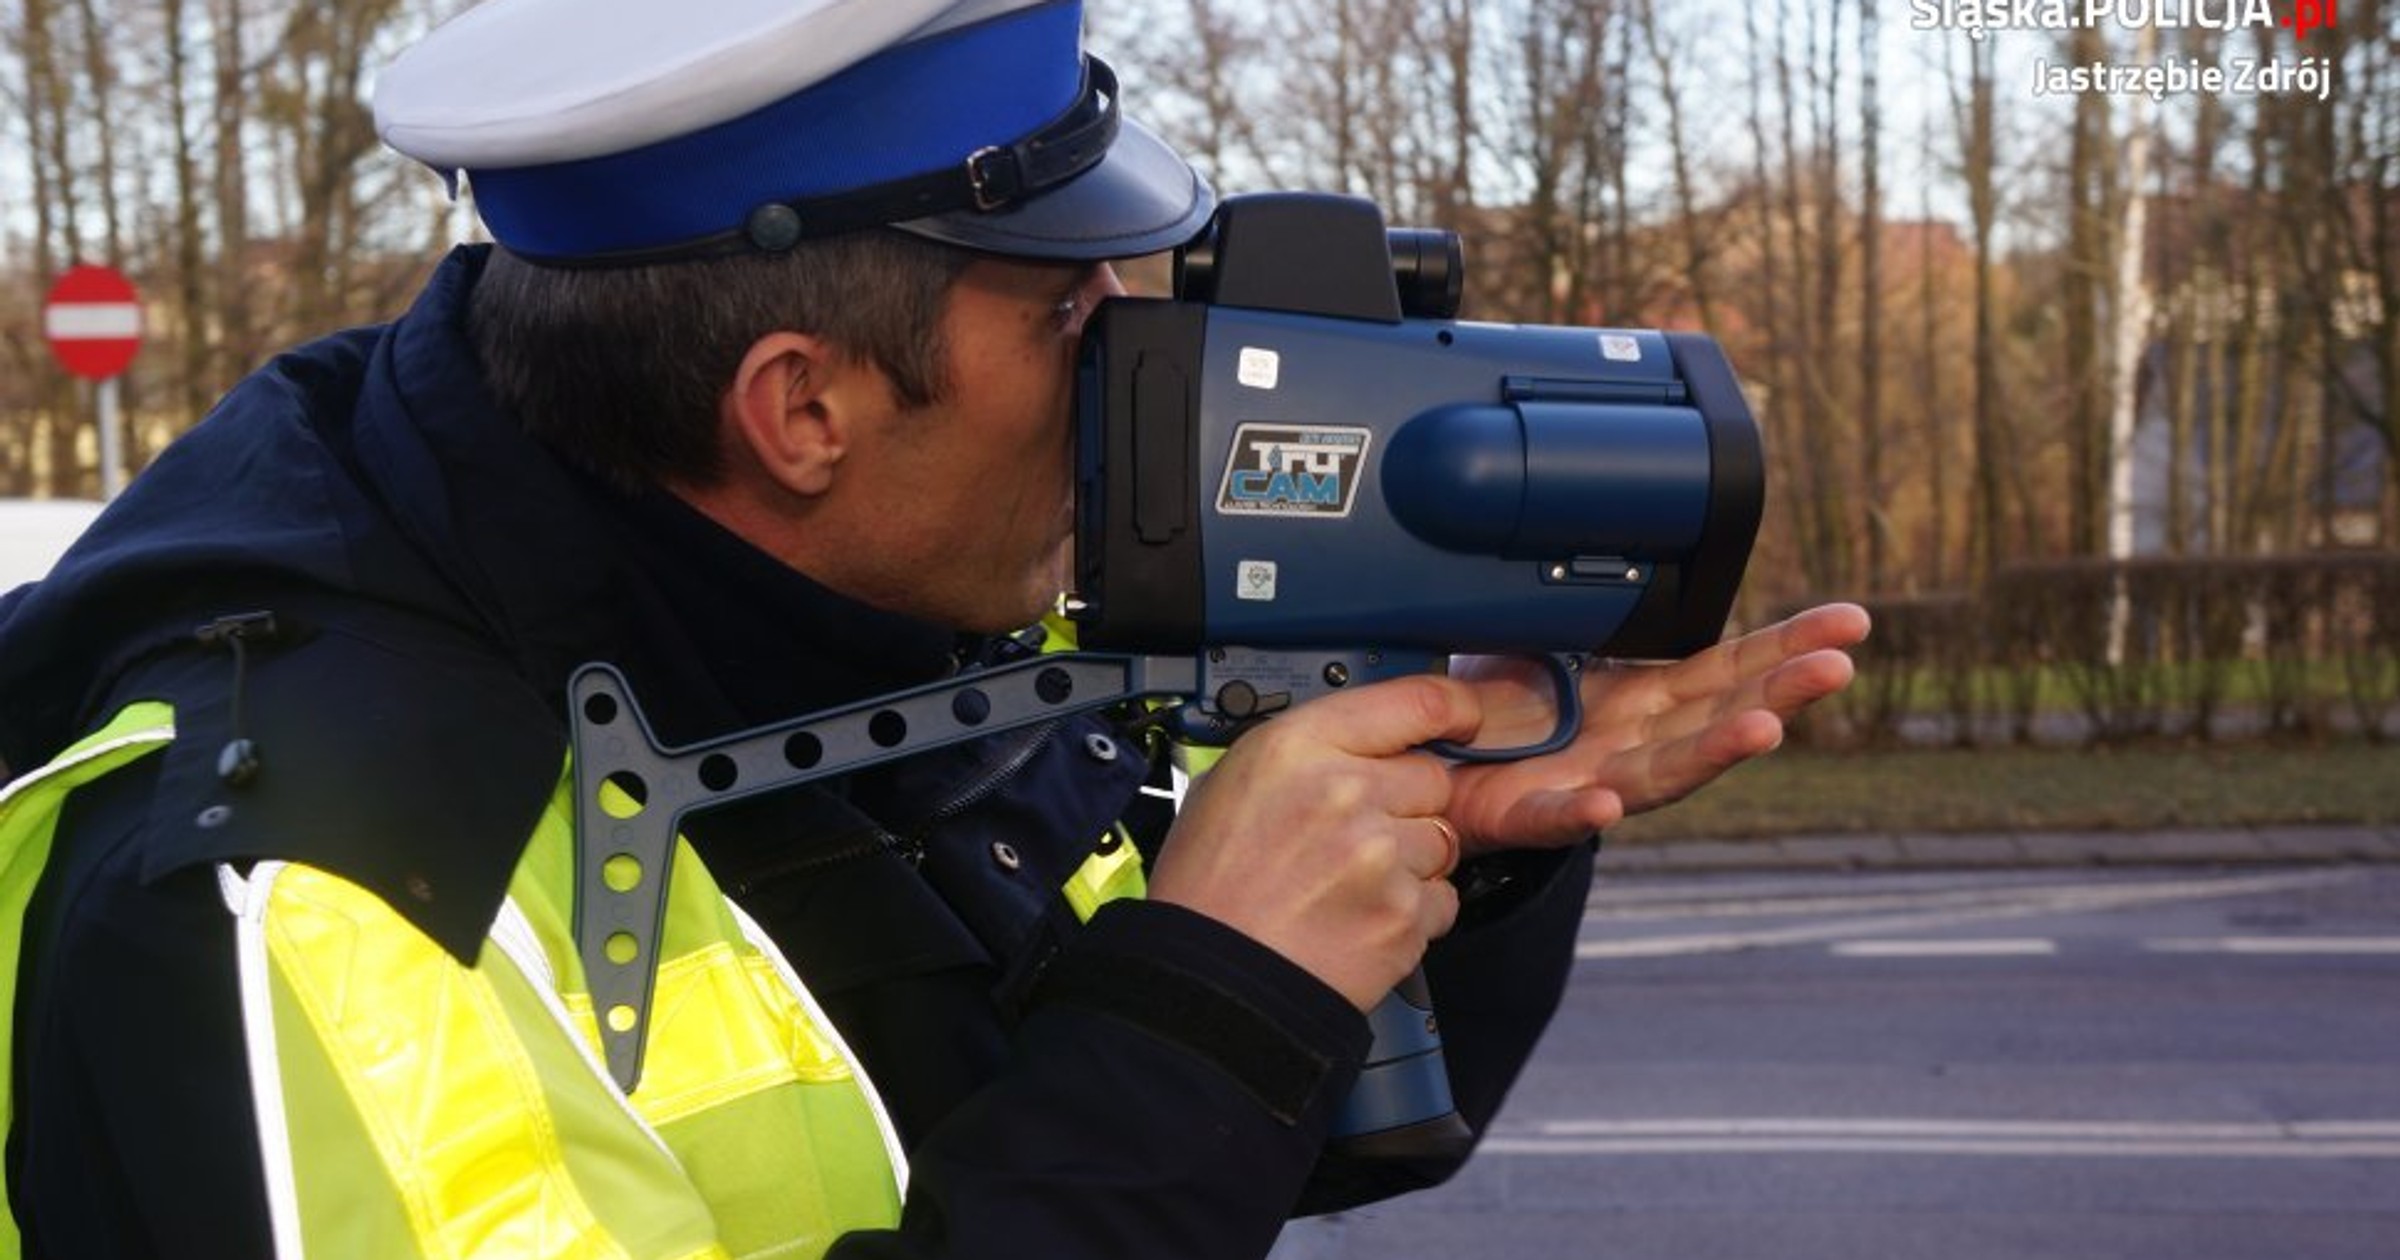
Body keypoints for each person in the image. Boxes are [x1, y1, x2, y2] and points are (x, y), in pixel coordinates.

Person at [0, 0, 1870, 1256]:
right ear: (801, 410)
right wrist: (1206, 1003)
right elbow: (1152, 1101)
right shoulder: (309, 900)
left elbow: (1247, 1145)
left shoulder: (838, 630)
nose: (1145, 362)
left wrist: (1440, 861)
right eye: (1067, 313)